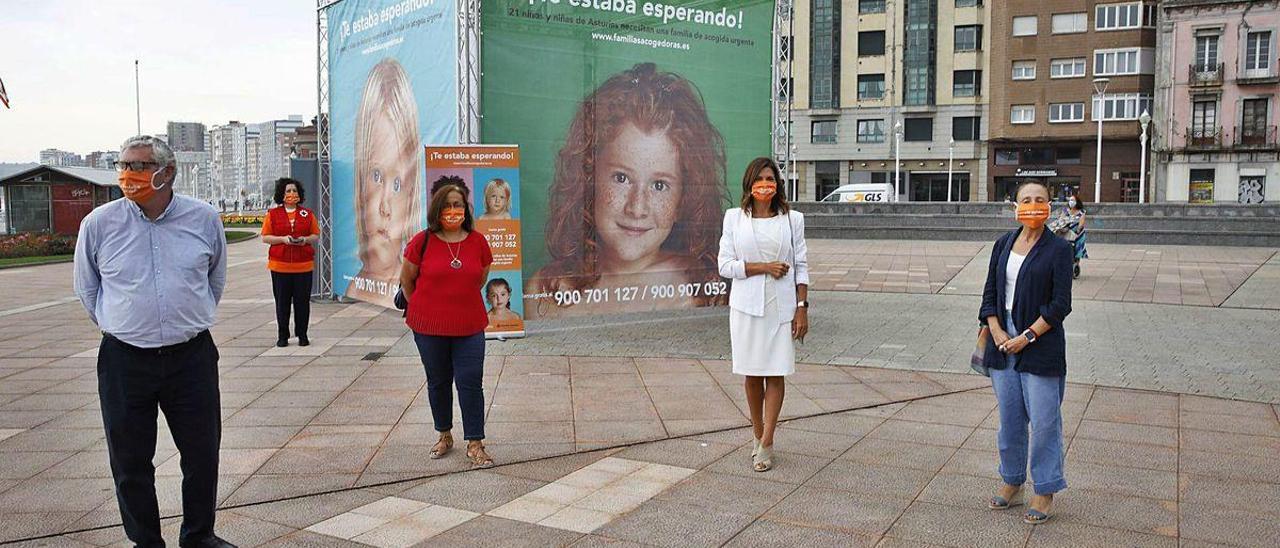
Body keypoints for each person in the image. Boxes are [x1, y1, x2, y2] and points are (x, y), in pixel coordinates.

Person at [73, 135, 234, 548]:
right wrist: (127, 325)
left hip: (191, 357)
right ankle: (146, 541)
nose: (129, 175)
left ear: (168, 172)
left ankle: (199, 536)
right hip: (125, 360)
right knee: (130, 461)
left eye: (140, 166)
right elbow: (88, 290)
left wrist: (184, 320)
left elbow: (213, 279)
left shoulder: (203, 218)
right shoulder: (99, 224)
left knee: (201, 455)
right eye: (123, 165)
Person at [526, 62, 728, 317]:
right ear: (589, 180)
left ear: (683, 200)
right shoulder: (544, 293)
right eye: (621, 178)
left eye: (659, 185)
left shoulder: (704, 289)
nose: (637, 207)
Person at [978, 180, 1074, 525]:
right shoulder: (1003, 244)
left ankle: (1045, 489)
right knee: (1010, 419)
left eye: (1041, 200)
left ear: (1050, 205)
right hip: (1002, 341)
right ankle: (1012, 480)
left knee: (1045, 421)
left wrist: (1029, 335)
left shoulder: (1060, 249)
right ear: (1014, 206)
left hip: (1040, 343)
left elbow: (1061, 304)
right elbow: (990, 291)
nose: (1033, 205)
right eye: (1026, 200)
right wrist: (997, 329)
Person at [717, 157, 810, 473]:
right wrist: (763, 268)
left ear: (778, 184)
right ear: (749, 184)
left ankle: (767, 441)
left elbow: (801, 266)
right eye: (759, 179)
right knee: (752, 374)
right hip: (746, 306)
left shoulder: (792, 219)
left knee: (777, 371)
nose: (765, 184)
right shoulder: (734, 219)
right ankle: (756, 432)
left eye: (770, 179)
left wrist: (802, 308)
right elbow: (725, 265)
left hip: (781, 307)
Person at [400, 183, 496, 468]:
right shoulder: (422, 241)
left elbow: (480, 279)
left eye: (458, 205)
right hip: (428, 326)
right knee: (438, 381)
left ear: (466, 209)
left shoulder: (478, 242)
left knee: (470, 381)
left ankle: (475, 442)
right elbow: (408, 280)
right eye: (447, 205)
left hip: (469, 324)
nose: (453, 211)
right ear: (437, 210)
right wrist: (422, 305)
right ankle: (444, 435)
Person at [346, 58, 421, 307]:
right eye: (376, 176)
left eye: (398, 184)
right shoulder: (355, 287)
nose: (385, 207)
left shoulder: (416, 284)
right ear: (360, 179)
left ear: (411, 195)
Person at [261, 178, 320, 347]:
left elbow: (315, 235)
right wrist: (282, 239)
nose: (291, 194)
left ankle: (302, 335)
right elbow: (265, 237)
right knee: (282, 303)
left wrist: (304, 240)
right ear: (281, 194)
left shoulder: (307, 214)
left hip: (303, 266)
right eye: (288, 191)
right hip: (280, 266)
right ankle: (282, 336)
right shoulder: (273, 214)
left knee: (302, 303)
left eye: (294, 191)